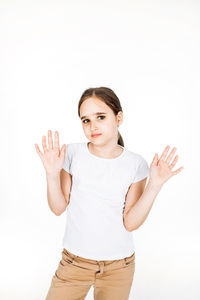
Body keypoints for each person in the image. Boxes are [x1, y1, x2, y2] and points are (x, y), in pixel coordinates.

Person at [35, 86, 184, 300]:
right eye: (86, 120)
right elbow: (58, 207)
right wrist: (51, 174)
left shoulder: (136, 164)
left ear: (119, 117)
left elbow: (130, 222)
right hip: (74, 263)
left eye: (101, 117)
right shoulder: (71, 153)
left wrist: (154, 185)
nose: (92, 126)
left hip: (119, 268)